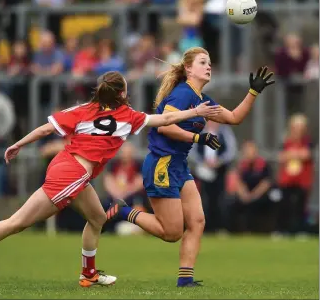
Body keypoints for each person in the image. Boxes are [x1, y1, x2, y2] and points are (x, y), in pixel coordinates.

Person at [0, 71, 220, 288]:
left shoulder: (84, 108)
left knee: (97, 218)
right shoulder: (128, 116)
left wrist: (18, 144)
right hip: (71, 177)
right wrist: (196, 112)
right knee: (17, 222)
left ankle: (89, 274)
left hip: (68, 166)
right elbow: (166, 120)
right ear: (122, 93)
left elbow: (45, 130)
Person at [106, 47, 275, 287]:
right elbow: (164, 127)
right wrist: (198, 138)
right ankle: (123, 211)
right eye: (202, 62)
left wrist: (253, 92)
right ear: (188, 69)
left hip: (178, 166)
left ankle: (185, 279)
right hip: (161, 164)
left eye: (209, 62)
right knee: (172, 233)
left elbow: (234, 117)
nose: (208, 66)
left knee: (197, 221)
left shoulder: (202, 99)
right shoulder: (183, 94)